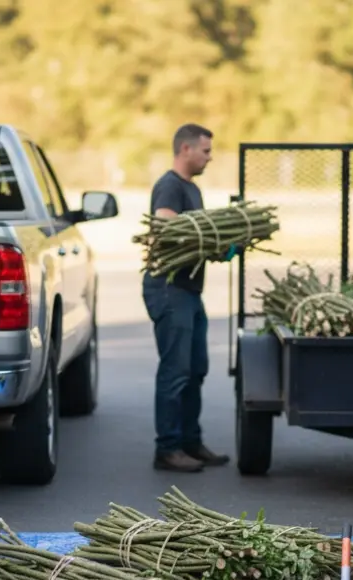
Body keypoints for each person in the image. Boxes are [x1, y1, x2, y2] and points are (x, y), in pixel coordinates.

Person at [142, 123, 231, 473]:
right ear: (186, 150)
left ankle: (190, 441)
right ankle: (167, 448)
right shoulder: (169, 186)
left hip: (190, 291)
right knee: (176, 370)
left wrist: (219, 248)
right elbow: (167, 229)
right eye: (206, 151)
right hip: (169, 288)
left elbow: (194, 237)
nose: (209, 157)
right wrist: (214, 242)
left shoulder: (191, 189)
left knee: (196, 369)